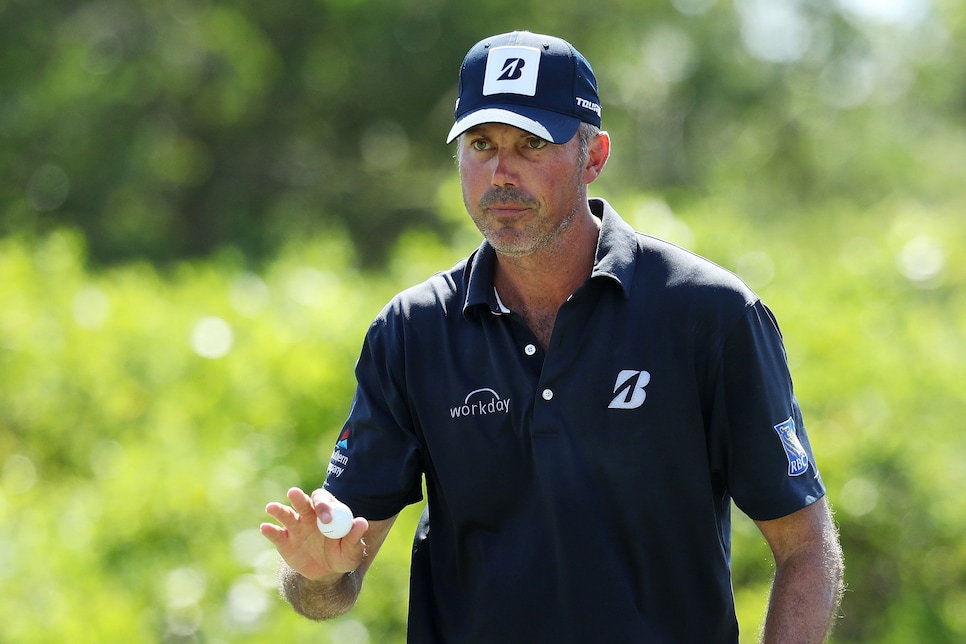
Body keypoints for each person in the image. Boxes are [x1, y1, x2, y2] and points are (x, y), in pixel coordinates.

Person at [261, 30, 845, 642]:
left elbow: (805, 547)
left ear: (593, 157)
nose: (501, 173)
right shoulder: (411, 332)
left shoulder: (709, 314)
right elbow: (333, 583)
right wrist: (317, 576)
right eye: (480, 144)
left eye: (532, 143)